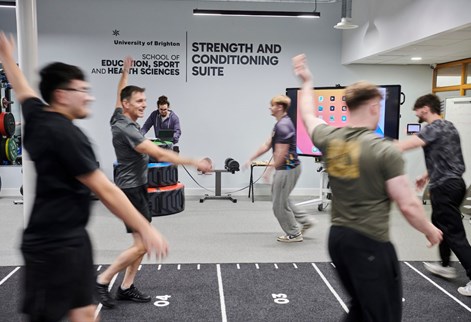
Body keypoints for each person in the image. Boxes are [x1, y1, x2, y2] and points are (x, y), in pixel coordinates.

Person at [0, 32, 168, 322]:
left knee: (86, 314)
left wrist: (6, 56)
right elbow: (105, 189)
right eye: (82, 90)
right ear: (62, 94)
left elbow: (23, 88)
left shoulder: (38, 113)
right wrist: (146, 228)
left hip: (73, 239)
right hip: (52, 246)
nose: (89, 96)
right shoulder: (66, 135)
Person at [293, 54, 443, 321]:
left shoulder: (329, 136)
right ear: (374, 106)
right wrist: (430, 229)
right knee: (381, 315)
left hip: (338, 239)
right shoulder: (383, 150)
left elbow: (306, 114)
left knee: (362, 309)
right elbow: (407, 204)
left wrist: (307, 80)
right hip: (370, 244)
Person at [95, 57, 211, 308]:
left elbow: (119, 93)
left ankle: (126, 287)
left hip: (136, 188)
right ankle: (103, 280)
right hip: (131, 191)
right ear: (127, 105)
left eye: (145, 102)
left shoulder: (117, 115)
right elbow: (159, 154)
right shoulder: (128, 129)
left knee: (141, 244)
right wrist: (194, 161)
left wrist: (125, 72)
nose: (144, 106)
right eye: (139, 102)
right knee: (143, 243)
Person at [395, 93, 471, 297]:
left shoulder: (432, 127)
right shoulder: (449, 126)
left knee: (453, 232)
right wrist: (426, 175)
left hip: (444, 187)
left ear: (425, 109)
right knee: (440, 223)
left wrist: (377, 146)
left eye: (417, 110)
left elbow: (407, 145)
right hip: (455, 184)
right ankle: (445, 265)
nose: (416, 114)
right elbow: (445, 156)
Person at [246, 94, 313, 243]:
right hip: (288, 168)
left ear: (280, 107)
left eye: (272, 105)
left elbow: (280, 154)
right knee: (283, 198)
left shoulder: (283, 126)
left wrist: (268, 171)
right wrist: (251, 158)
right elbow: (267, 145)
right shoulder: (281, 123)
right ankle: (305, 220)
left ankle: (294, 233)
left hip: (286, 169)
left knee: (278, 205)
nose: (270, 108)